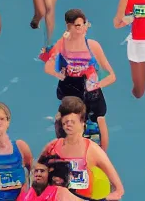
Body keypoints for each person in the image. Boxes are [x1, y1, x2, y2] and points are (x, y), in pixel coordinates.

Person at [44, 10, 116, 149]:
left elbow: (112, 76)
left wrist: (96, 84)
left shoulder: (93, 46)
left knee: (98, 120)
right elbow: (48, 67)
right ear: (68, 27)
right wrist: (60, 75)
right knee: (61, 120)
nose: (82, 28)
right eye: (77, 26)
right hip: (70, 90)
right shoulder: (61, 45)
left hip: (90, 92)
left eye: (84, 24)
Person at [39, 96, 125, 200]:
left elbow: (119, 190)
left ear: (82, 123)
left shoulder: (93, 150)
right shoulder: (51, 147)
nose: (69, 126)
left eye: (73, 122)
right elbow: (36, 178)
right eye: (66, 122)